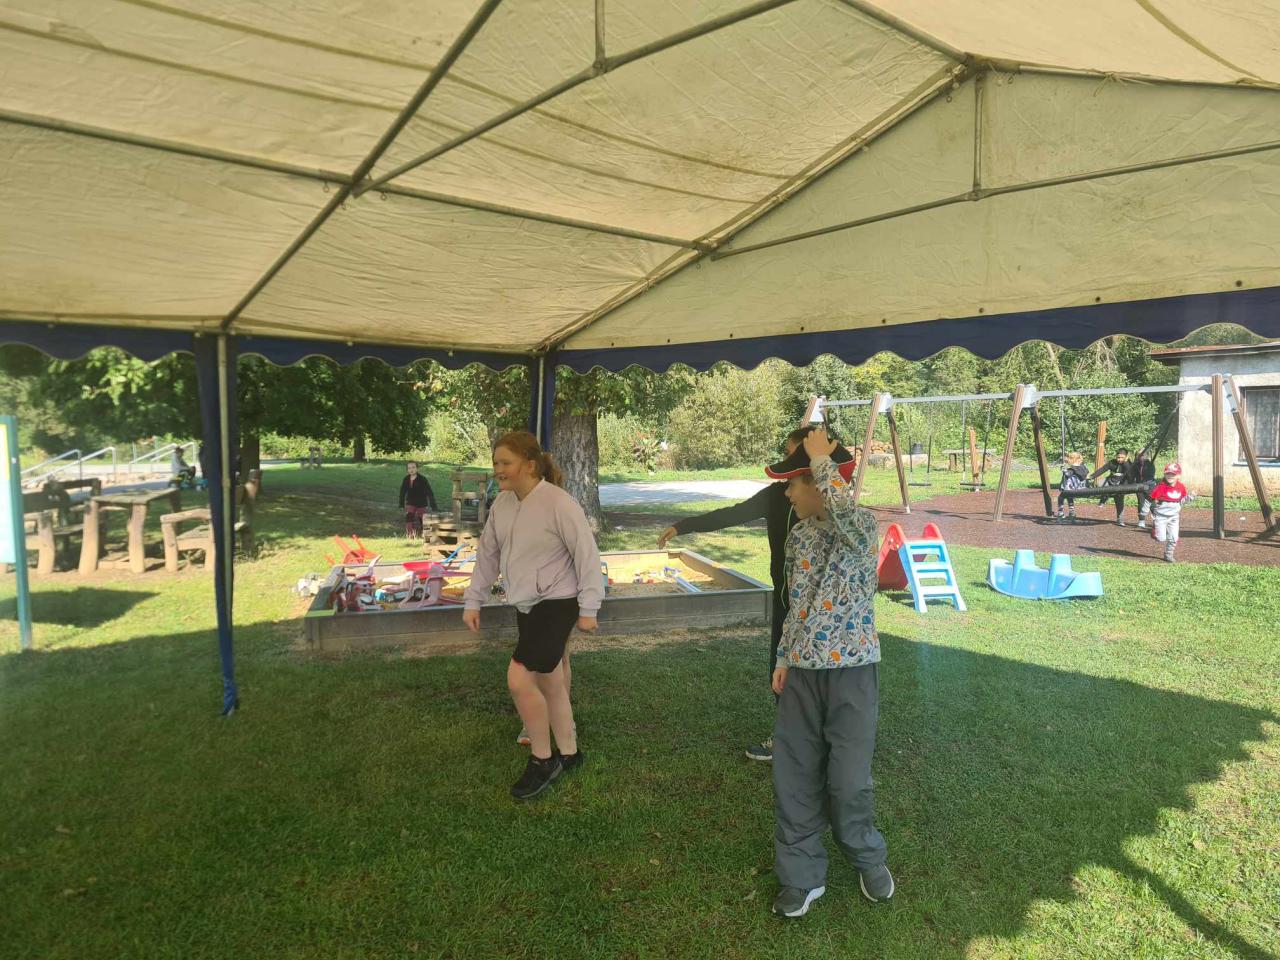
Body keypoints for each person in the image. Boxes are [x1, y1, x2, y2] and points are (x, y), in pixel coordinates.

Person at [764, 427, 893, 918]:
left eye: (793, 483)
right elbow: (796, 604)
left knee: (848, 780)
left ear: (820, 483)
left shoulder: (862, 526)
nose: (787, 493)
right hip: (802, 675)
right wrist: (784, 658)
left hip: (852, 674)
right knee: (794, 775)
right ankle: (801, 875)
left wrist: (821, 461)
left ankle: (865, 855)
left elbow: (846, 512)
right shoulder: (799, 536)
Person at [657, 426, 814, 762]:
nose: (787, 460)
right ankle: (786, 739)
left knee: (814, 674)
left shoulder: (828, 505)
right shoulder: (776, 495)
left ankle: (816, 743)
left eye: (793, 454)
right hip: (785, 599)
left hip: (818, 606)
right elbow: (731, 514)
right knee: (780, 670)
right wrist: (683, 526)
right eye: (787, 454)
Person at [462, 431, 602, 801]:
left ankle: (543, 760)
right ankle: (569, 752)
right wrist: (473, 600)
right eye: (495, 463)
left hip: (558, 602)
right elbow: (488, 555)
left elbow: (587, 555)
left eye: (505, 463)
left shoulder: (558, 503)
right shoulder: (502, 505)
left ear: (529, 464)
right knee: (550, 680)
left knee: (519, 677)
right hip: (526, 604)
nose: (498, 470)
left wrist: (589, 608)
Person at [1149, 462, 1192, 562]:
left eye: (1173, 474)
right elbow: (1151, 500)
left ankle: (1168, 554)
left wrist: (1190, 497)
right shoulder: (1161, 486)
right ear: (1164, 474)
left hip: (1174, 517)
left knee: (1174, 538)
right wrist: (1150, 510)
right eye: (1168, 474)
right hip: (1161, 516)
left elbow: (1182, 501)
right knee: (1161, 539)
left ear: (1178, 476)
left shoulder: (1181, 487)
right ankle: (1155, 530)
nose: (1170, 476)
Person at [1090, 447, 1135, 525]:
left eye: (1122, 457)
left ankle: (1120, 519)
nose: (1119, 459)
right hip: (1110, 481)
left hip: (1121, 485)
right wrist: (1092, 476)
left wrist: (1125, 463)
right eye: (1118, 457)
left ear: (1126, 457)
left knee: (1119, 500)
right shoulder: (1112, 462)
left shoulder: (1128, 464)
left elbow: (1130, 477)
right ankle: (1104, 498)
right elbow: (1103, 469)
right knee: (1099, 483)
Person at [398, 460, 439, 539]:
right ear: (407, 470)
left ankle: (425, 534)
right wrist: (401, 504)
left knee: (422, 518)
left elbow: (429, 492)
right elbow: (402, 492)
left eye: (413, 467)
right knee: (409, 517)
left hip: (421, 502)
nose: (411, 470)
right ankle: (410, 535)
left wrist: (433, 505)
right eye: (409, 468)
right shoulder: (406, 479)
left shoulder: (422, 479)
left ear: (417, 468)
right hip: (410, 502)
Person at [1056, 452, 1089, 522]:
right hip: (1082, 487)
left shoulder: (1072, 469)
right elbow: (1086, 473)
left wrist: (1064, 470)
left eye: (1069, 458)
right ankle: (1072, 512)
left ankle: (1060, 512)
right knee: (1069, 496)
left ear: (1072, 459)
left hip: (1073, 488)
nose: (1068, 459)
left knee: (1061, 497)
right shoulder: (1083, 467)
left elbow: (1068, 475)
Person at [1132, 450, 1157, 529]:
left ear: (1146, 456)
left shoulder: (1150, 464)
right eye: (1139, 455)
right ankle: (1141, 521)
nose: (1141, 457)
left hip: (1150, 485)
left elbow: (1150, 475)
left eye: (1142, 455)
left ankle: (1156, 520)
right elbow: (1133, 474)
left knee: (1152, 503)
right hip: (1139, 486)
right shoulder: (1136, 464)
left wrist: (1146, 470)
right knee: (1141, 502)